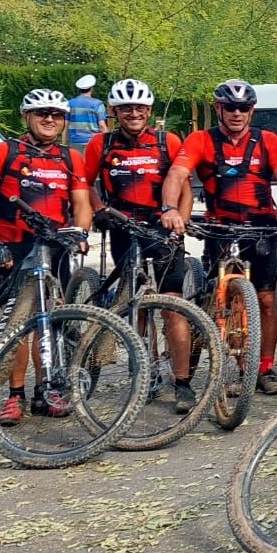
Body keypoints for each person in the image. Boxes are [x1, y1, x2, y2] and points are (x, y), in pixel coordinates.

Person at [163, 79, 277, 394]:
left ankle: (264, 369)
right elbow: (177, 173)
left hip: (261, 226)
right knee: (215, 299)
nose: (237, 113)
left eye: (243, 108)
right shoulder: (201, 139)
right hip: (219, 226)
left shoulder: (266, 140)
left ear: (252, 110)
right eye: (230, 107)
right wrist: (170, 208)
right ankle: (214, 358)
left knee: (267, 300)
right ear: (219, 109)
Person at [0, 89, 93, 426]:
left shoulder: (70, 159)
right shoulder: (3, 152)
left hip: (55, 247)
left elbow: (81, 204)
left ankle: (45, 392)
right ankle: (15, 394)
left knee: (48, 322)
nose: (49, 119)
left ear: (64, 120)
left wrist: (80, 232)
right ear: (26, 116)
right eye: (41, 113)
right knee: (19, 325)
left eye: (56, 114)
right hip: (13, 247)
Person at [82, 78, 194, 413]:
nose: (134, 113)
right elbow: (84, 184)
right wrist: (98, 210)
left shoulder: (166, 141)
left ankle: (183, 383)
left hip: (161, 230)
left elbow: (185, 189)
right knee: (137, 307)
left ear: (149, 110)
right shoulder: (100, 144)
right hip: (122, 229)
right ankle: (145, 372)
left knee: (173, 308)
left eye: (140, 108)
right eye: (126, 108)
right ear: (114, 111)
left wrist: (179, 223)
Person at [67, 73, 107, 150]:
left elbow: (66, 125)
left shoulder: (70, 103)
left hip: (75, 142)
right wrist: (107, 142)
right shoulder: (97, 104)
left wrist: (64, 143)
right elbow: (102, 125)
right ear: (92, 89)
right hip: (93, 141)